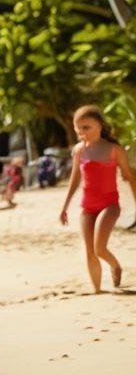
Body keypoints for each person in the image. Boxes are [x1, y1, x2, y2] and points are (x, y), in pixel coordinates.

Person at [59, 105, 136, 292]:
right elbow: (75, 180)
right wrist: (65, 207)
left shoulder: (114, 150)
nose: (81, 132)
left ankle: (115, 266)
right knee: (89, 251)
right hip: (87, 207)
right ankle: (98, 291)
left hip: (109, 205)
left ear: (99, 125)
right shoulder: (79, 150)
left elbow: (130, 177)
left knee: (99, 248)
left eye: (86, 127)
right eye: (78, 128)